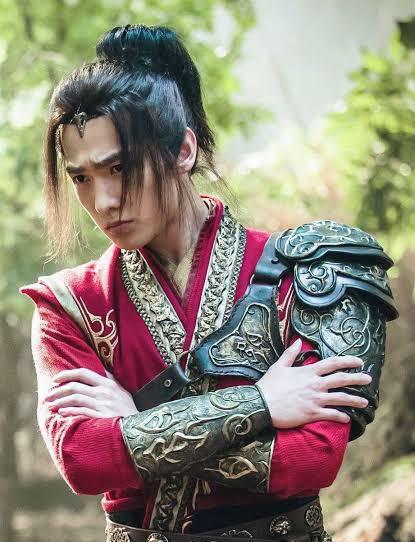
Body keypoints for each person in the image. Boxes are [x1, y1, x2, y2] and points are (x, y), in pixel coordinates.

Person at [20, 24, 397, 542]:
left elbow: (311, 459)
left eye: (120, 168)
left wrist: (136, 423)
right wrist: (260, 404)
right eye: (81, 177)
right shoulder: (71, 303)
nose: (102, 201)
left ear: (183, 150)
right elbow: (84, 460)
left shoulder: (311, 273)